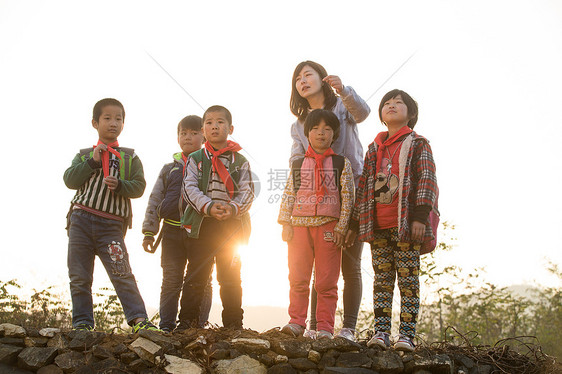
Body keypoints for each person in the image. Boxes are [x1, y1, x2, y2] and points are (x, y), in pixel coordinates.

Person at [348, 89, 438, 352]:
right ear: (381, 114)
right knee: (382, 281)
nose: (392, 106)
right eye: (387, 103)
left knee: (408, 281)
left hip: (407, 226)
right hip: (377, 227)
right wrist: (355, 223)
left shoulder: (418, 143)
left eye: (399, 103)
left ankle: (407, 335)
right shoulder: (374, 148)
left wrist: (420, 216)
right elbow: (364, 186)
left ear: (411, 113)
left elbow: (427, 180)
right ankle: (382, 332)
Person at [289, 60, 370, 341]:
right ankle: (314, 326)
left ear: (323, 78)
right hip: (314, 205)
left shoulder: (342, 107)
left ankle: (347, 327)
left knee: (349, 262)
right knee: (317, 265)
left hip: (352, 189)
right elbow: (295, 160)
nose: (303, 80)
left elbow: (363, 112)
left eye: (308, 74)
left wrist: (344, 89)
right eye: (298, 77)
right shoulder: (299, 123)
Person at [63, 98, 158, 332]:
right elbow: (69, 180)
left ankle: (139, 320)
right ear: (95, 122)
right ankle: (83, 324)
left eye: (118, 119)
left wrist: (121, 185)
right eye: (107, 118)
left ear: (123, 124)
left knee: (122, 272)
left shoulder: (130, 157)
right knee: (79, 276)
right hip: (81, 221)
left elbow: (139, 187)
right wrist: (93, 161)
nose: (113, 123)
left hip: (111, 226)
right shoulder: (84, 155)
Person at [279, 109, 355, 339]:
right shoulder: (298, 164)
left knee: (326, 280)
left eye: (327, 129)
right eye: (315, 129)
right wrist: (285, 222)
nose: (321, 133)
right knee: (298, 277)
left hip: (329, 228)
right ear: (307, 134)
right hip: (299, 226)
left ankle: (324, 327)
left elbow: (348, 196)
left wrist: (342, 227)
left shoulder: (341, 163)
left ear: (335, 134)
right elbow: (289, 193)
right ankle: (296, 322)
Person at [179, 105, 254, 330]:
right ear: (203, 129)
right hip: (202, 225)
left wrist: (233, 208)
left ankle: (233, 324)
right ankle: (187, 323)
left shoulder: (240, 161)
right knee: (196, 276)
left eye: (220, 122)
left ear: (230, 128)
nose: (214, 126)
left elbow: (248, 191)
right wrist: (209, 207)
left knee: (230, 276)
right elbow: (189, 188)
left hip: (231, 227)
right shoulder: (196, 159)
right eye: (209, 122)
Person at [141, 115, 213, 332]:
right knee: (171, 279)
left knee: (201, 279)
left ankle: (196, 325)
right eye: (183, 133)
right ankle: (166, 327)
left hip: (200, 231)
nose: (188, 137)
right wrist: (148, 231)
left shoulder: (209, 166)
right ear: (177, 137)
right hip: (171, 230)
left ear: (204, 136)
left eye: (194, 133)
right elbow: (155, 198)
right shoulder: (169, 169)